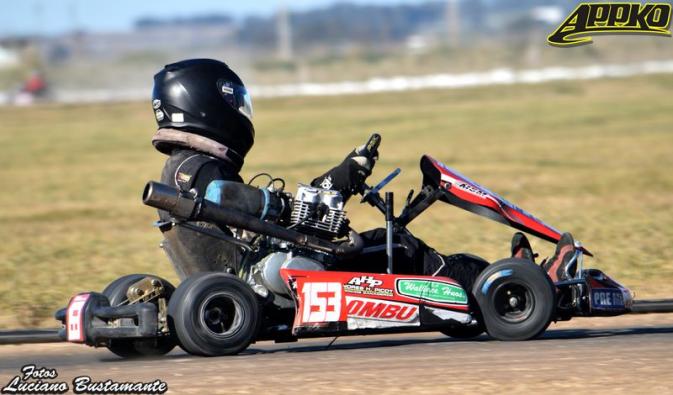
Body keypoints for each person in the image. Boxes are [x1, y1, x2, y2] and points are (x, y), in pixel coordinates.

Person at [150, 58, 576, 290]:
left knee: (382, 245)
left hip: (257, 272)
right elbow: (228, 200)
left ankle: (508, 278)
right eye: (234, 101)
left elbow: (266, 218)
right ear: (209, 104)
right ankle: (517, 288)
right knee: (402, 249)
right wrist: (279, 202)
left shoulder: (183, 168)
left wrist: (342, 176)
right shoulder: (195, 172)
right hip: (263, 282)